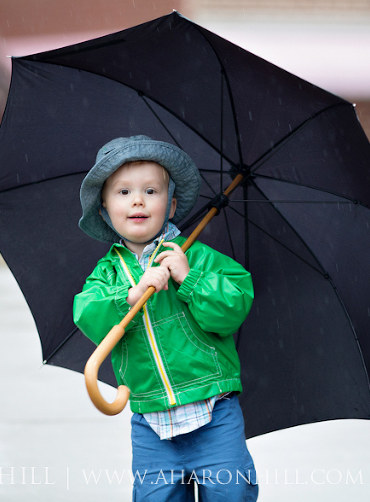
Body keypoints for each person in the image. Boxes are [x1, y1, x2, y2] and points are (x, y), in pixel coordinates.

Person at [73, 135, 259, 501]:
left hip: (214, 411)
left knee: (231, 491)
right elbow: (86, 311)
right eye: (123, 192)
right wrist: (128, 295)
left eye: (151, 191)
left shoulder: (197, 257)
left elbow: (234, 307)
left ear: (171, 204)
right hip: (151, 421)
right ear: (104, 210)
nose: (138, 200)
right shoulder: (107, 275)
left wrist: (189, 279)